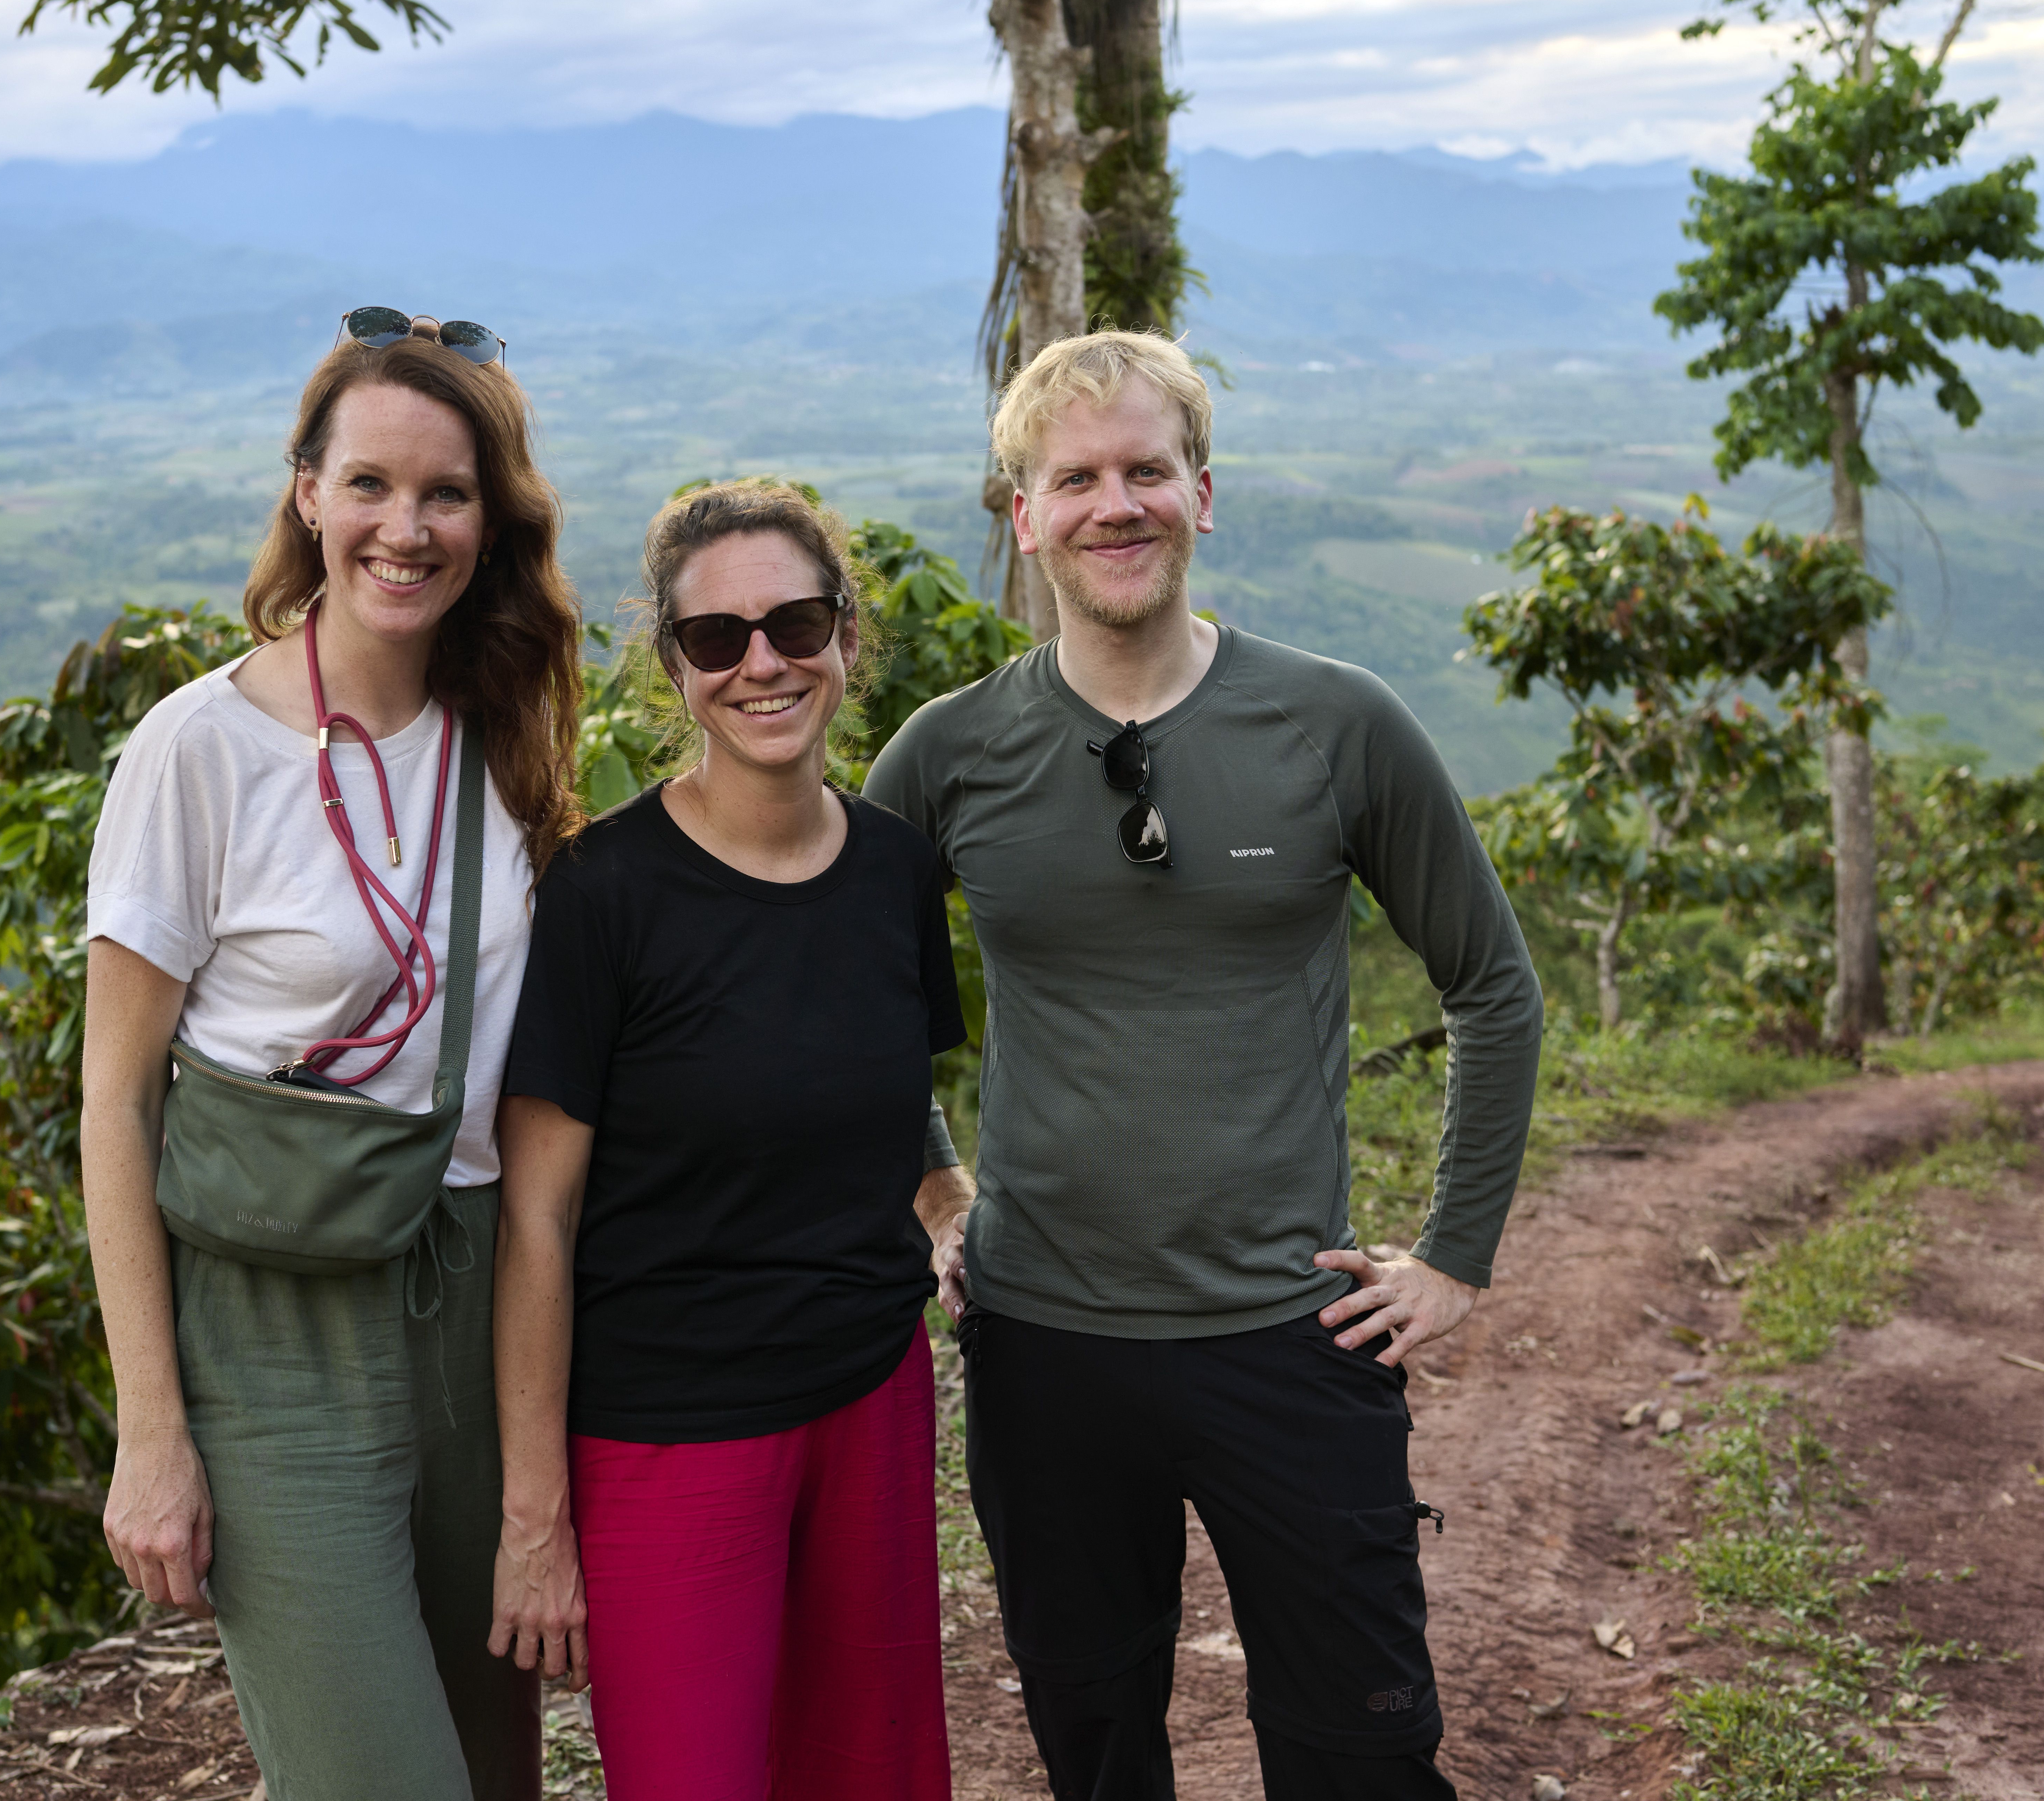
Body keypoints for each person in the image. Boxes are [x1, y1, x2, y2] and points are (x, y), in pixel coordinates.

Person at [864, 330, 1545, 1801]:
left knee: (1361, 1748)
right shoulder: (949, 754)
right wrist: (937, 1197)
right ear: (1023, 512)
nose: (1119, 504)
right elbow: (851, 1002)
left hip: (1291, 1337)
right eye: (1077, 478)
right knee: (1096, 1741)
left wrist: (1454, 1258)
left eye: (1148, 471)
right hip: (1045, 1343)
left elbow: (1493, 982)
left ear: (1204, 494)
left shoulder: (1335, 722)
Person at [80, 309, 584, 1801]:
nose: (405, 527)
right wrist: (151, 1432)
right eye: (369, 483)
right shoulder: (202, 749)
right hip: (272, 1329)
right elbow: (117, 1097)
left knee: (495, 1775)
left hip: (475, 1303)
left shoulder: (506, 735)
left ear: (493, 520)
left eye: (447, 493)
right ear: (306, 491)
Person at [485, 480, 970, 1801]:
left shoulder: (894, 869)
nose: (763, 663)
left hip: (871, 1396)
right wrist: (536, 1521)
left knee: (873, 1773)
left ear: (846, 639)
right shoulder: (604, 895)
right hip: (670, 1435)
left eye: (795, 623)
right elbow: (537, 1217)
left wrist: (953, 1208)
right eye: (717, 639)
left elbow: (895, 1105)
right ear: (675, 669)